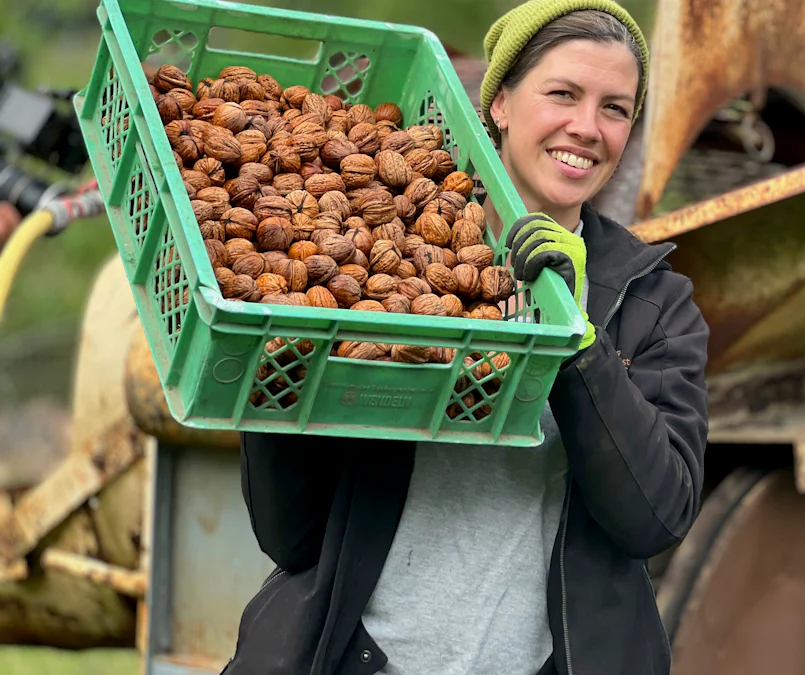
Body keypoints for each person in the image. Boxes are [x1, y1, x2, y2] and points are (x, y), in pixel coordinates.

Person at [224, 1, 710, 674]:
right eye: (562, 94)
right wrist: (281, 365)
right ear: (502, 103)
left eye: (615, 108)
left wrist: (577, 343)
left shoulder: (654, 302)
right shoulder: (387, 250)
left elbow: (654, 519)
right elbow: (291, 534)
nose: (586, 127)